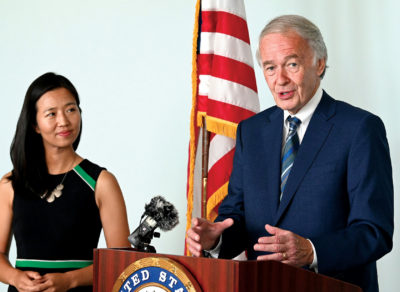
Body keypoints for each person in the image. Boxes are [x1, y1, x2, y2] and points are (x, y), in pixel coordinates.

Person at [187, 15, 393, 292]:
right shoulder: (251, 131)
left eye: (291, 64)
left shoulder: (360, 129)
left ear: (319, 64)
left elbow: (374, 232)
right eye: (270, 68)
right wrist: (217, 238)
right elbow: (237, 216)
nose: (280, 79)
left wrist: (312, 250)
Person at [0, 72, 131, 291]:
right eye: (51, 114)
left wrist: (69, 280)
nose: (64, 121)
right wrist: (15, 277)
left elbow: (122, 263)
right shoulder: (10, 184)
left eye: (71, 109)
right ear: (34, 124)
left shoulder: (101, 182)